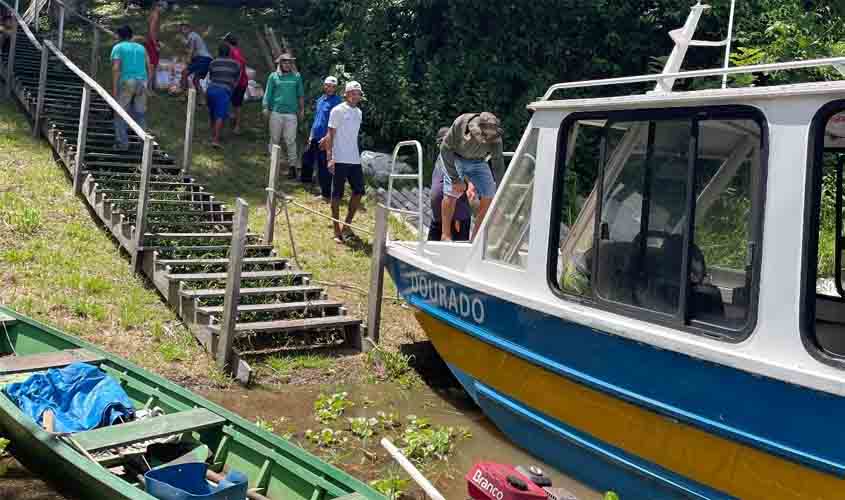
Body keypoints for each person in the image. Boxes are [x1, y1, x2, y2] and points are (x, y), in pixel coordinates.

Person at [440, 112, 504, 241]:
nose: (487, 139)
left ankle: (475, 239)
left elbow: (497, 161)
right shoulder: (460, 123)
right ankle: (445, 235)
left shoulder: (496, 137)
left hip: (479, 161)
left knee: (490, 195)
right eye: (484, 136)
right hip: (455, 157)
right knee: (452, 192)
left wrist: (501, 185)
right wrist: (455, 179)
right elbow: (445, 149)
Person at [326, 81, 364, 243]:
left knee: (359, 191)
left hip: (354, 159)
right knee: (337, 195)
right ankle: (336, 230)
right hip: (339, 158)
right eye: (353, 93)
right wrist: (330, 157)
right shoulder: (337, 110)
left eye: (358, 93)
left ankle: (346, 225)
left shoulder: (359, 113)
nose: (356, 96)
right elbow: (331, 134)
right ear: (346, 94)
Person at [263, 52, 304, 178]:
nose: (287, 64)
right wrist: (265, 107)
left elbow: (300, 95)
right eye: (285, 62)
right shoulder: (273, 76)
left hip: (291, 114)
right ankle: (274, 165)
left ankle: (292, 167)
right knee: (274, 139)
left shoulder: (296, 77)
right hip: (276, 112)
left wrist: (301, 110)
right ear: (280, 63)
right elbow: (268, 93)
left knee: (290, 140)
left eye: (289, 62)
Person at [111, 25, 151, 151]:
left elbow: (116, 68)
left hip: (127, 81)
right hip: (142, 81)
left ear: (118, 36)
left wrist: (114, 88)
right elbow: (149, 66)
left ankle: (122, 143)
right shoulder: (141, 48)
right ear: (131, 35)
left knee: (120, 113)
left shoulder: (118, 47)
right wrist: (147, 83)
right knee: (140, 113)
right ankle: (143, 143)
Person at [428, 127, 472, 241]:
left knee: (455, 255)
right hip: (437, 218)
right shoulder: (440, 158)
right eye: (442, 142)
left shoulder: (459, 158)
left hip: (456, 219)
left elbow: (469, 179)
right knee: (430, 253)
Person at [302, 76, 341, 199]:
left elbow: (337, 123)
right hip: (315, 136)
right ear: (324, 86)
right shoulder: (320, 100)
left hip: (326, 138)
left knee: (324, 165)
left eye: (333, 86)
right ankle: (306, 183)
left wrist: (327, 138)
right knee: (307, 158)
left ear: (336, 88)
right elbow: (316, 119)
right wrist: (310, 135)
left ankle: (326, 193)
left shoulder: (337, 102)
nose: (330, 88)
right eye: (328, 86)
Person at [205, 45, 241, 148]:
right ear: (230, 53)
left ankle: (213, 134)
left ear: (218, 52)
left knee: (212, 113)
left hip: (211, 89)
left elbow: (211, 76)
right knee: (220, 115)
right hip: (223, 91)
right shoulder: (236, 64)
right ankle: (216, 140)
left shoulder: (213, 62)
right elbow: (236, 80)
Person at [222, 32, 248, 135]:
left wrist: (235, 83)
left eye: (224, 41)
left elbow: (240, 68)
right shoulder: (233, 51)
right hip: (234, 81)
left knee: (237, 105)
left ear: (228, 43)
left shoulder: (234, 53)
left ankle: (237, 126)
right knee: (230, 101)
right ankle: (231, 117)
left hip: (240, 83)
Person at [179, 23, 212, 102]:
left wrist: (188, 60)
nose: (183, 31)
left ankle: (184, 95)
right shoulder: (194, 36)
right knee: (196, 80)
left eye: (185, 29)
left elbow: (191, 51)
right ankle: (202, 99)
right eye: (182, 30)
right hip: (207, 60)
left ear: (189, 29)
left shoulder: (192, 35)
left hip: (202, 59)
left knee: (184, 73)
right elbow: (192, 49)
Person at [144, 1, 162, 91]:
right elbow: (152, 31)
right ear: (156, 6)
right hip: (152, 42)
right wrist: (155, 44)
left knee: (152, 65)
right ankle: (149, 88)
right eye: (160, 6)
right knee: (152, 65)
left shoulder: (153, 14)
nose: (162, 8)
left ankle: (152, 86)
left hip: (150, 41)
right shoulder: (155, 15)